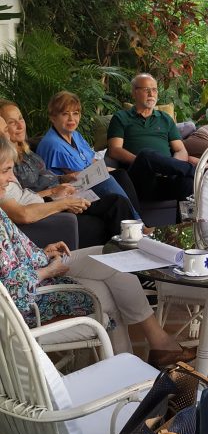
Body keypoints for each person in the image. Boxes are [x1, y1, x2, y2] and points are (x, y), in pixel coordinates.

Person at [0, 135, 193, 367]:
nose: (12, 179)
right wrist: (47, 272)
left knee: (113, 259)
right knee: (103, 294)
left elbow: (13, 253)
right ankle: (132, 367)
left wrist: (43, 252)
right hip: (27, 304)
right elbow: (10, 288)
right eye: (6, 171)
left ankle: (140, 358)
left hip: (36, 267)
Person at [0, 105, 135, 248]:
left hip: (53, 196)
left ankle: (135, 238)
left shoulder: (25, 153)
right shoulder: (5, 175)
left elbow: (28, 194)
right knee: (111, 194)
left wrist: (60, 183)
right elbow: (23, 214)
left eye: (20, 119)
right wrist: (62, 202)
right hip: (48, 207)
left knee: (117, 195)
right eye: (8, 127)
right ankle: (132, 246)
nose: (18, 126)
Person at [32, 92, 142, 218]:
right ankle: (137, 222)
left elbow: (91, 160)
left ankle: (137, 217)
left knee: (120, 174)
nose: (71, 119)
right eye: (65, 114)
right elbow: (77, 174)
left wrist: (106, 168)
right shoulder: (52, 144)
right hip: (67, 190)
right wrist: (104, 171)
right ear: (53, 117)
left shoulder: (75, 135)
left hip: (85, 181)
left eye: (75, 113)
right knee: (107, 179)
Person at [107, 74, 196, 200]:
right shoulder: (121, 117)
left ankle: (180, 220)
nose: (151, 94)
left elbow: (180, 150)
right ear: (134, 93)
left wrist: (166, 167)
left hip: (165, 179)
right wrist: (146, 162)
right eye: (146, 90)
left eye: (154, 90)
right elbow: (114, 150)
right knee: (146, 155)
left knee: (187, 182)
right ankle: (196, 171)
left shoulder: (165, 119)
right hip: (139, 180)